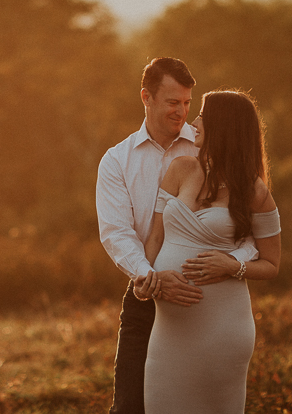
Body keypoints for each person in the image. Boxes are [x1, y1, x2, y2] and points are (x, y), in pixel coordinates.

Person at [96, 58, 257, 414]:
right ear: (146, 97)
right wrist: (149, 277)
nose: (182, 112)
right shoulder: (117, 161)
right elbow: (117, 233)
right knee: (130, 406)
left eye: (187, 102)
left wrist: (232, 263)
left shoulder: (207, 146)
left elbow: (246, 226)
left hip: (206, 303)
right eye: (172, 102)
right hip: (144, 293)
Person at [137, 89, 281, 414]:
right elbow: (156, 237)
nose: (195, 121)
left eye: (203, 114)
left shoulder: (255, 192)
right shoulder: (181, 169)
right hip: (169, 333)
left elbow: (272, 264)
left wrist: (234, 266)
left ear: (225, 126)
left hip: (222, 332)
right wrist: (146, 275)